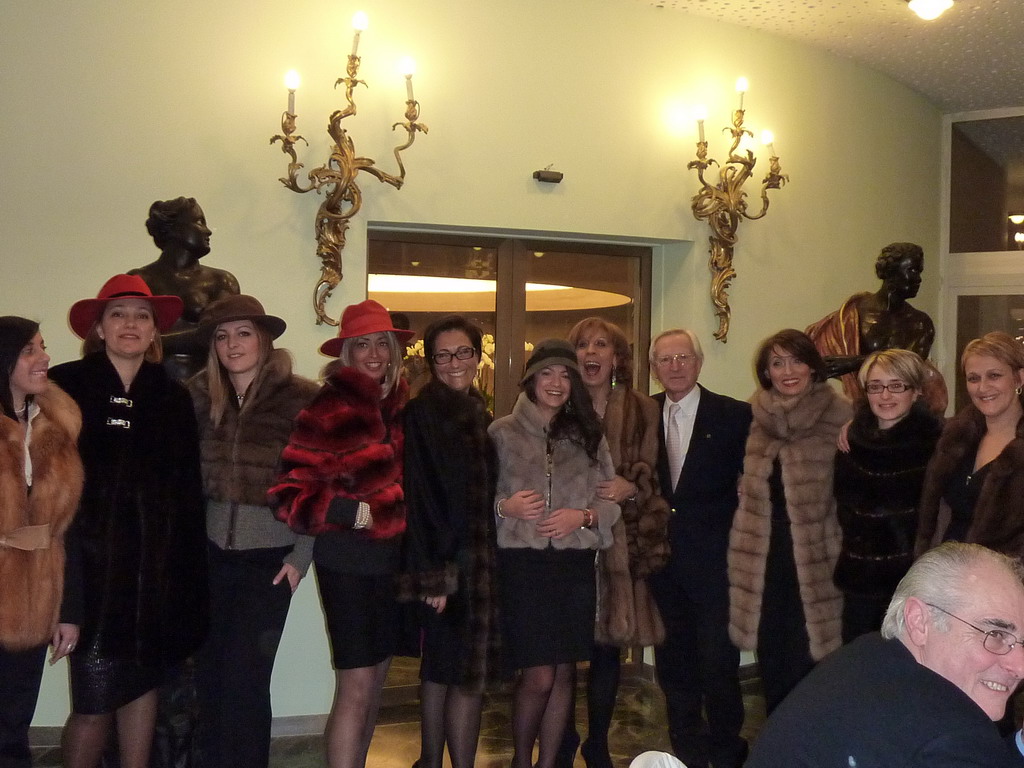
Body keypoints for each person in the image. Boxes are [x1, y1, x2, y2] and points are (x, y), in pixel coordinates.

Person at [49, 275, 208, 768]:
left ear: (155, 331)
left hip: (155, 580)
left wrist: (186, 583)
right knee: (94, 703)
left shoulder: (173, 397)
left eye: (142, 316)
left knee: (143, 692)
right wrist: (64, 591)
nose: (130, 324)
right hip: (88, 577)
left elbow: (187, 499)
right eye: (118, 314)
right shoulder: (64, 386)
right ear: (98, 327)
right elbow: (49, 492)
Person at [270, 299, 411, 768]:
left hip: (392, 562)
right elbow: (289, 493)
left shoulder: (399, 407)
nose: (373, 354)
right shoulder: (328, 408)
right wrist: (354, 512)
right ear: (347, 352)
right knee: (356, 683)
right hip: (347, 561)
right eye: (362, 344)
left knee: (377, 681)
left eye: (381, 344)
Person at [746, 542, 1024, 768]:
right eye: (995, 635)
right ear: (919, 621)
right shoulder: (953, 732)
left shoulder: (865, 656)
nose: (1021, 667)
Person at [187, 295, 318, 768]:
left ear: (263, 339)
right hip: (208, 557)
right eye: (222, 336)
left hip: (269, 560)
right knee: (209, 678)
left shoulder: (301, 398)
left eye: (243, 333)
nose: (232, 344)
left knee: (246, 681)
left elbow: (318, 483)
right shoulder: (197, 397)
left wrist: (300, 557)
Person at [489, 339, 619, 768]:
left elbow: (610, 502)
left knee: (564, 674)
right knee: (539, 676)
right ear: (531, 379)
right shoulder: (501, 432)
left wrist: (583, 517)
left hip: (572, 567)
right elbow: (474, 502)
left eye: (566, 374)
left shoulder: (589, 433)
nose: (557, 383)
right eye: (547, 373)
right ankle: (521, 761)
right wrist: (503, 508)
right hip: (523, 566)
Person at [556, 318, 671, 768]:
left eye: (601, 344)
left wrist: (632, 486)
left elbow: (655, 474)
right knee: (565, 650)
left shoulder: (643, 408)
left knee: (608, 648)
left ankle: (598, 742)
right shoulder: (558, 402)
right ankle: (563, 736)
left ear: (617, 357)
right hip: (567, 542)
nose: (591, 352)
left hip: (620, 544)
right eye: (582, 345)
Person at [641, 329, 751, 768]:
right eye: (665, 360)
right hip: (662, 564)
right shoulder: (644, 414)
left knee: (719, 664)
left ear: (699, 363)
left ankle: (726, 752)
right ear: (654, 368)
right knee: (674, 666)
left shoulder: (734, 415)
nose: (675, 366)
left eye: (683, 357)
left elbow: (757, 472)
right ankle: (686, 750)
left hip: (716, 564)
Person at [727, 328, 851, 714]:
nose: (788, 371)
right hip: (765, 560)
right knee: (773, 660)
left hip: (819, 563)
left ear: (813, 366)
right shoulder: (753, 419)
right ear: (766, 372)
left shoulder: (841, 417)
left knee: (813, 665)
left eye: (796, 360)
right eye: (777, 363)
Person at [399, 315, 500, 768]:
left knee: (461, 672)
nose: (454, 362)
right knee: (446, 671)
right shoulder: (423, 413)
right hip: (445, 565)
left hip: (476, 564)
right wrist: (434, 577)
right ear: (430, 361)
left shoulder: (480, 412)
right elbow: (420, 496)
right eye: (443, 355)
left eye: (463, 353)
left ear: (477, 357)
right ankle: (433, 761)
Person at [0, 317, 83, 767]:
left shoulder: (56, 429)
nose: (44, 357)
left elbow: (67, 530)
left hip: (34, 601)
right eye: (29, 349)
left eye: (43, 346)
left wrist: (67, 610)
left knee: (13, 725)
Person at [834, 348, 943, 643]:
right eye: (876, 386)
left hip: (913, 580)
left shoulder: (936, 444)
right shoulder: (851, 441)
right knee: (858, 655)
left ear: (916, 391)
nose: (885, 395)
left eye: (897, 385)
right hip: (858, 578)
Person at [916, 331, 1024, 558]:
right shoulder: (955, 436)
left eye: (994, 375)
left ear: (1019, 378)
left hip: (1005, 576)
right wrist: (852, 423)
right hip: (947, 569)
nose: (982, 388)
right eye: (973, 378)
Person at [805, 241, 947, 413]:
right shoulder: (853, 314)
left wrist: (853, 362)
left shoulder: (921, 323)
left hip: (904, 413)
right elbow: (811, 358)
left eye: (919, 271)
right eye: (912, 270)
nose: (918, 279)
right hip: (859, 411)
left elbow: (908, 367)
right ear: (890, 272)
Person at [130, 196, 240, 381]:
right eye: (199, 222)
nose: (208, 231)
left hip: (206, 388)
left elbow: (219, 335)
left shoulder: (221, 281)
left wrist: (151, 342)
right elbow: (125, 338)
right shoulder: (139, 280)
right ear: (174, 228)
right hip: (150, 385)